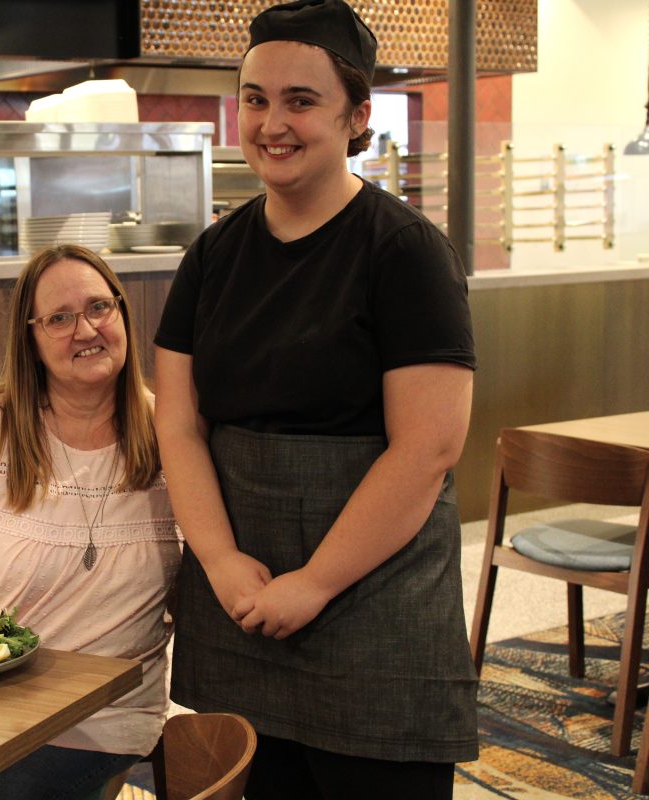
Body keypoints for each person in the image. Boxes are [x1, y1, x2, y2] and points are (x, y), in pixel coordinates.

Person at [152, 1, 478, 798]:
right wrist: (222, 561)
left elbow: (427, 448)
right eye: (256, 98)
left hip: (374, 596)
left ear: (356, 114)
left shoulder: (404, 252)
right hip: (241, 596)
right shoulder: (213, 254)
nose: (272, 122)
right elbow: (179, 422)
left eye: (301, 100)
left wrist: (317, 580)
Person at [0, 243, 180, 800]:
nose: (86, 329)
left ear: (122, 312)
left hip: (100, 727)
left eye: (100, 307)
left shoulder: (170, 436)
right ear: (31, 338)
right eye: (59, 318)